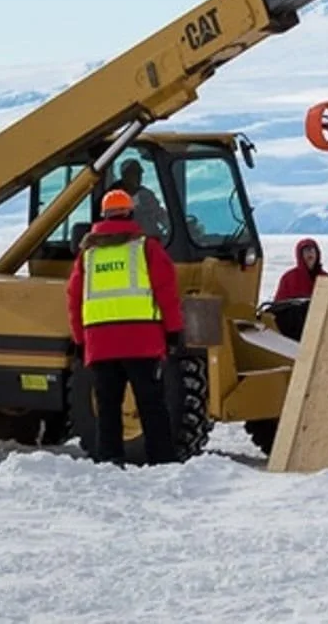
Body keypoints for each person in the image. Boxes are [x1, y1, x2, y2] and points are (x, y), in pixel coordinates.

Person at [65, 189, 184, 466]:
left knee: (107, 407)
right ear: (131, 213)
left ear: (103, 215)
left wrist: (80, 340)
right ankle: (162, 461)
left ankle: (110, 459)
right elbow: (166, 291)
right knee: (151, 404)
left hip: (100, 343)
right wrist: (173, 330)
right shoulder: (146, 248)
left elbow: (74, 298)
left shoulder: (88, 255)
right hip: (141, 341)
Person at [272, 238, 328, 302]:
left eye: (312, 250)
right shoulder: (288, 278)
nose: (310, 253)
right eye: (306, 251)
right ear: (300, 255)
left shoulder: (326, 278)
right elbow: (278, 305)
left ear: (317, 254)